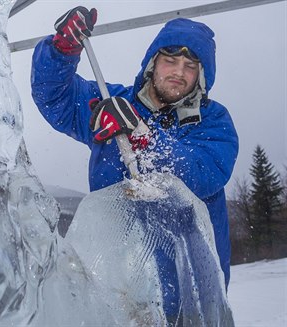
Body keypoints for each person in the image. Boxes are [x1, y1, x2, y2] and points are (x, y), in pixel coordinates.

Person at [31, 6, 239, 320]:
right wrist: (62, 51)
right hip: (119, 293)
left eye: (190, 66)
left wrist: (145, 138)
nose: (179, 73)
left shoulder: (213, 121)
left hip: (191, 298)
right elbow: (55, 96)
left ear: (202, 76)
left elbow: (203, 172)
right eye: (170, 60)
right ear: (152, 63)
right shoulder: (111, 102)